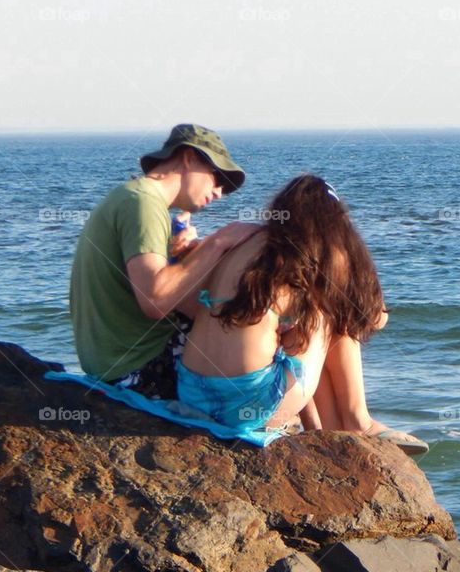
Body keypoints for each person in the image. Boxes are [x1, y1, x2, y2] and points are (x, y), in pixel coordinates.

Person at [176, 174, 429, 454]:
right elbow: (372, 319)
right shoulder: (318, 252)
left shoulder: (244, 241)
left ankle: (328, 430)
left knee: (299, 324)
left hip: (192, 397)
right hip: (246, 409)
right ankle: (358, 422)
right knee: (330, 315)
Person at [70, 124, 259, 400]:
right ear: (189, 157)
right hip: (138, 371)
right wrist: (219, 242)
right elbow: (156, 300)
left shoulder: (132, 197)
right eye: (217, 177)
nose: (219, 191)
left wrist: (187, 257)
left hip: (114, 366)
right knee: (299, 330)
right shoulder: (144, 203)